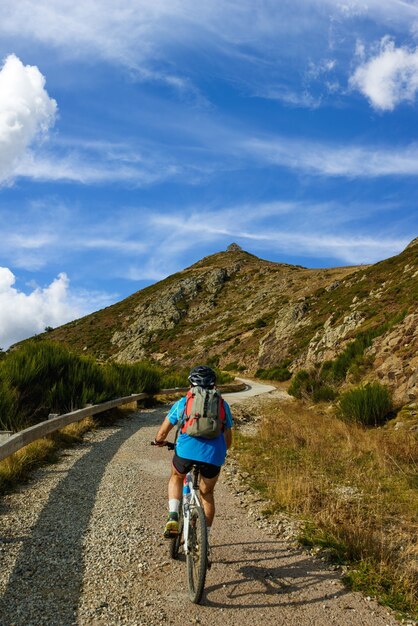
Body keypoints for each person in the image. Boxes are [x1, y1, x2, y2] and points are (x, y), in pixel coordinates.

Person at [153, 365, 233, 539]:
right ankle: (205, 538)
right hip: (213, 456)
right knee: (207, 494)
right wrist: (219, 450)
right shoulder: (222, 405)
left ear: (191, 384)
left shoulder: (183, 402)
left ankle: (173, 515)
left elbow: (162, 432)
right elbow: (228, 439)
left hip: (186, 452)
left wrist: (159, 441)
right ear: (214, 385)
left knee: (176, 476)